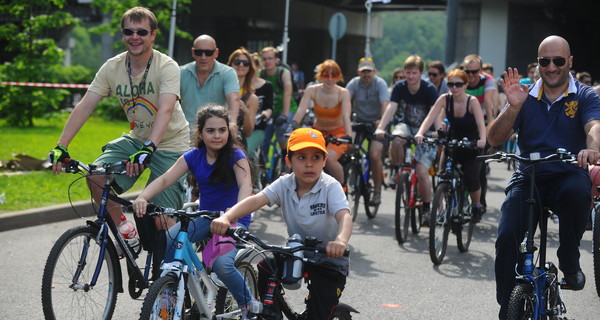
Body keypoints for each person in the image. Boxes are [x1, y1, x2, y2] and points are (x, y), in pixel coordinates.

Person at [48, 7, 190, 270]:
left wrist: (150, 147)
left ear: (153, 35)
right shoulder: (112, 67)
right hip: (137, 140)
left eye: (141, 32)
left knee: (162, 221)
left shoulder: (166, 66)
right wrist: (61, 146)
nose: (134, 37)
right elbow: (85, 106)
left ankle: (177, 277)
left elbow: (166, 109)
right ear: (122, 34)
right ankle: (127, 232)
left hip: (171, 145)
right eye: (128, 32)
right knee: (95, 175)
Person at [488, 35, 600, 319]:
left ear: (570, 62)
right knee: (506, 239)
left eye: (558, 61)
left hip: (566, 175)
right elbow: (494, 139)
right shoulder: (524, 95)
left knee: (578, 191)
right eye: (544, 61)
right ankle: (508, 307)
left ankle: (569, 260)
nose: (551, 67)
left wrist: (592, 148)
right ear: (538, 63)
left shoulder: (585, 95)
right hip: (529, 177)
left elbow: (594, 126)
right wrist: (513, 108)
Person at [210, 127, 352, 320]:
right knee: (266, 266)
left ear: (325, 161)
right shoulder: (285, 184)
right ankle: (273, 314)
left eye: (316, 158)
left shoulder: (330, 186)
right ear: (288, 161)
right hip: (296, 252)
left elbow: (344, 216)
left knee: (318, 315)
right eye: (301, 157)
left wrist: (340, 241)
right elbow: (255, 200)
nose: (309, 164)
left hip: (329, 259)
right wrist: (227, 217)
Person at [132, 104, 255, 316]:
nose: (217, 135)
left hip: (233, 219)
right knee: (170, 238)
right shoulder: (194, 155)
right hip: (205, 216)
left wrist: (231, 215)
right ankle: (170, 291)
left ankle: (249, 305)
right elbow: (165, 179)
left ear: (229, 131)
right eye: (210, 131)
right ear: (200, 132)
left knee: (223, 266)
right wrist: (142, 196)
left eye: (222, 130)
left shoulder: (236, 156)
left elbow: (246, 186)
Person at [414, 69, 487, 222]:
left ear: (466, 85)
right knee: (442, 176)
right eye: (451, 84)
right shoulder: (444, 99)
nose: (454, 88)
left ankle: (476, 206)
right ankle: (440, 212)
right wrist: (420, 133)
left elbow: (481, 124)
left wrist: (482, 140)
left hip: (472, 145)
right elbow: (430, 117)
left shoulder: (472, 101)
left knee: (471, 179)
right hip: (452, 143)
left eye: (458, 84)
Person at [375, 54, 438, 219]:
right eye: (408, 73)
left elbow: (435, 112)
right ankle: (399, 170)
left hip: (427, 131)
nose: (410, 76)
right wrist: (381, 128)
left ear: (420, 73)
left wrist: (438, 132)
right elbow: (391, 108)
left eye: (414, 73)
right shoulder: (399, 87)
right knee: (396, 138)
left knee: (422, 171)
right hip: (407, 126)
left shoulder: (429, 89)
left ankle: (426, 207)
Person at [289, 59, 353, 184]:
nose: (329, 79)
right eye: (325, 75)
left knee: (329, 159)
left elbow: (346, 116)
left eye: (334, 75)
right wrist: (292, 126)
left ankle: (341, 189)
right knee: (308, 156)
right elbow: (301, 110)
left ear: (338, 77)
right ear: (320, 76)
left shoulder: (343, 93)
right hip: (318, 132)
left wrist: (349, 137)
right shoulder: (312, 90)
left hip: (338, 133)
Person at [346, 57, 389, 205]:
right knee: (348, 145)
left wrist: (381, 122)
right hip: (359, 122)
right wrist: (345, 119)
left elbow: (385, 105)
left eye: (369, 72)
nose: (366, 75)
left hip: (377, 123)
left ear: (374, 72)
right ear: (358, 72)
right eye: (363, 71)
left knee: (374, 155)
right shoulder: (353, 83)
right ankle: (354, 168)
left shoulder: (380, 84)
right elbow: (345, 101)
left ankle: (377, 191)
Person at [180, 34, 240, 128]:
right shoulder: (181, 73)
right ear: (193, 52)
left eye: (208, 53)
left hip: (215, 133)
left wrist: (232, 125)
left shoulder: (227, 73)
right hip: (185, 134)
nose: (203, 57)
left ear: (216, 53)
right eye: (199, 52)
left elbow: (234, 99)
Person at [463, 54, 498, 213]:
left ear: (480, 71)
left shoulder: (488, 81)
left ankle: (480, 202)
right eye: (467, 71)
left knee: (479, 166)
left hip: (482, 124)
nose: (470, 75)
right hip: (463, 123)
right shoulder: (459, 79)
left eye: (474, 71)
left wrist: (490, 129)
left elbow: (489, 104)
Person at [260, 47, 298, 157]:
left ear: (277, 60)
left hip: (287, 108)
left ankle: (285, 156)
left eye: (270, 58)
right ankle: (263, 167)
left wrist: (284, 115)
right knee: (264, 137)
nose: (267, 61)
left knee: (281, 129)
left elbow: (287, 93)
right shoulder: (260, 73)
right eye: (264, 59)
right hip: (270, 110)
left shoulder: (283, 73)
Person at [227, 47, 259, 147]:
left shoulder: (252, 98)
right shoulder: (219, 89)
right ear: (230, 64)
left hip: (237, 145)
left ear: (249, 68)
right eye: (237, 62)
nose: (241, 65)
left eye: (245, 63)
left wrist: (246, 112)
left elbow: (248, 132)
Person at [246, 52, 274, 155]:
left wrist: (265, 114)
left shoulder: (267, 86)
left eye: (252, 65)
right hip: (240, 127)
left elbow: (269, 107)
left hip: (258, 127)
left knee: (246, 150)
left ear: (258, 67)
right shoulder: (240, 85)